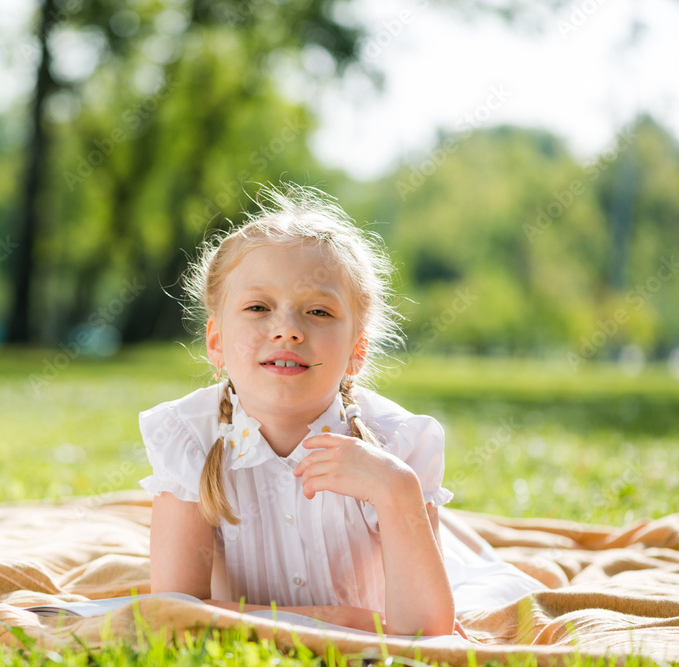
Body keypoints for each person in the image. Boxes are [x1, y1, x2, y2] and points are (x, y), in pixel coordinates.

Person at [138, 184, 545, 637]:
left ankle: (463, 541)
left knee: (486, 576)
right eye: (258, 307)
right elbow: (174, 617)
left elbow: (427, 632)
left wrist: (398, 492)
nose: (288, 330)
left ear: (357, 351)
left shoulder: (397, 446)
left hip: (428, 561)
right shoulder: (191, 440)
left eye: (318, 311)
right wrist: (333, 622)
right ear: (216, 342)